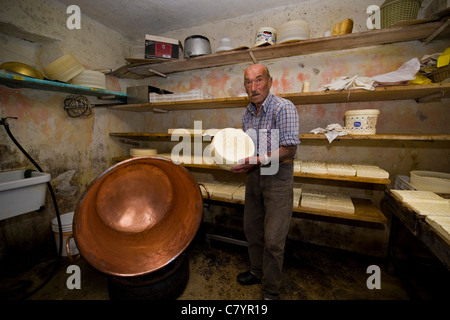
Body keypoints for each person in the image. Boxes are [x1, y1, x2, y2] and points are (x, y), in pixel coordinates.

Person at [231, 63, 300, 300]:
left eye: (258, 80)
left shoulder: (283, 107)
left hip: (278, 175)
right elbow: (248, 147)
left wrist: (256, 160)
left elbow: (289, 149)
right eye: (248, 82)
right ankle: (257, 272)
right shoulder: (247, 113)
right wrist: (239, 160)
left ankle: (271, 291)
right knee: (252, 228)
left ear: (270, 81)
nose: (253, 87)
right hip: (255, 174)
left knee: (273, 238)